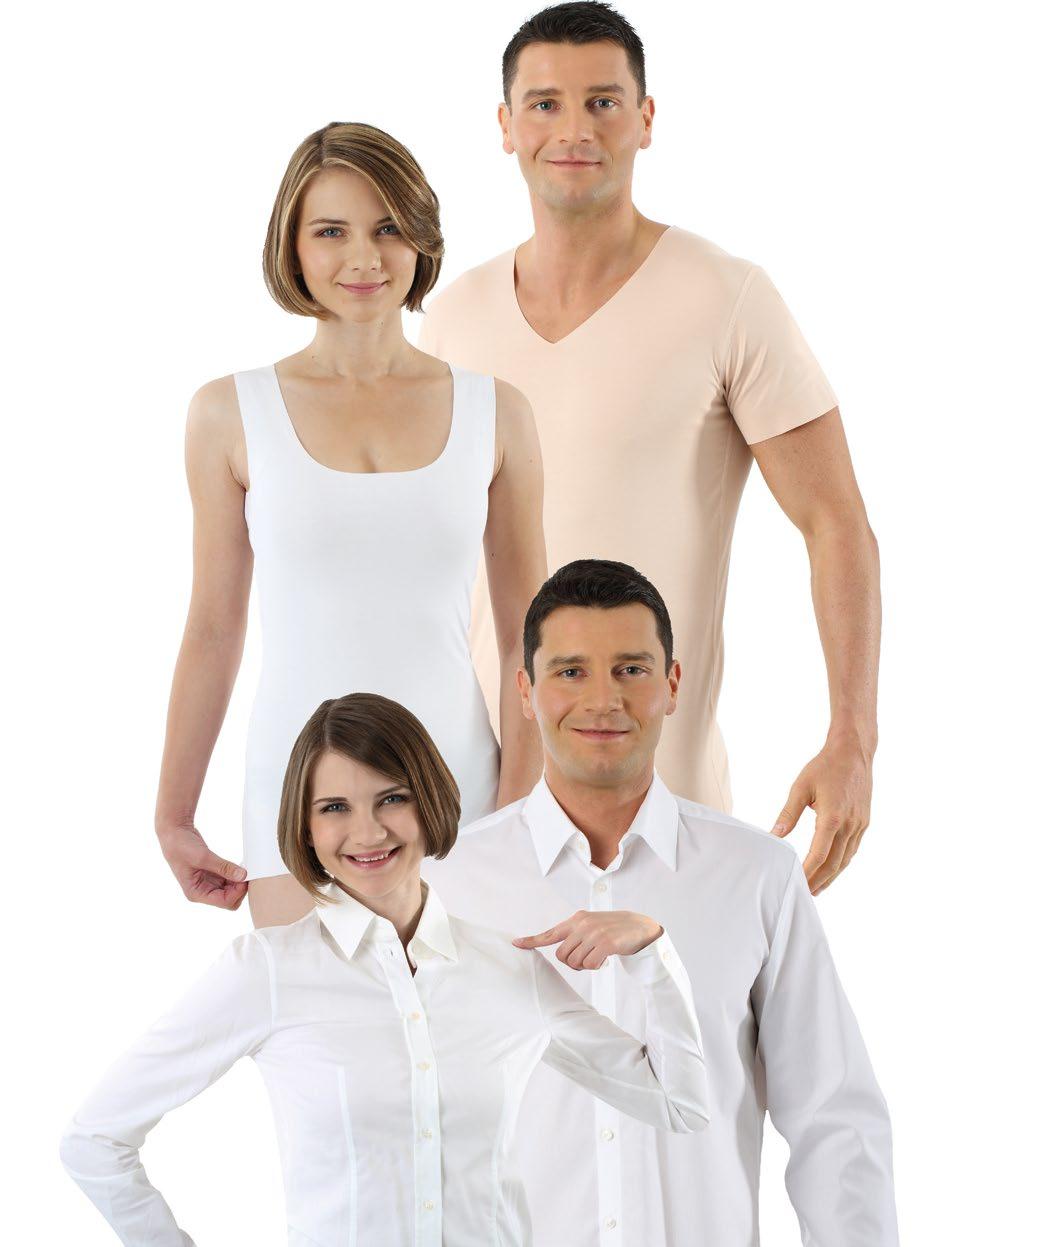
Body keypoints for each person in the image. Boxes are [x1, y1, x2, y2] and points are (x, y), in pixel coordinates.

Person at [419, 2, 881, 894]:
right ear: (506, 125)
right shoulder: (454, 316)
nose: (574, 129)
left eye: (602, 101)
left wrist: (850, 738)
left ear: (645, 118)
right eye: (545, 104)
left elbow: (836, 524)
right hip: (483, 810)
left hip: (668, 813)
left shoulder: (724, 297)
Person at [61, 693, 709, 1247]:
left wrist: (650, 949)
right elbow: (94, 1140)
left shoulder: (509, 968)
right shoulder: (266, 971)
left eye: (391, 798)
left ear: (430, 802)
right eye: (334, 807)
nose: (367, 831)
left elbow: (680, 1105)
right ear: (304, 827)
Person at [423, 559, 899, 1246]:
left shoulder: (756, 877)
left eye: (630, 669)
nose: (602, 700)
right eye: (570, 671)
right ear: (524, 691)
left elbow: (834, 1119)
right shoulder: (449, 883)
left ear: (672, 684)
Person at [154, 122, 547, 928]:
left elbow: (526, 638)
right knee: (311, 1010)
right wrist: (174, 813)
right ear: (292, 246)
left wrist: (518, 808)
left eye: (388, 228)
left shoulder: (497, 412)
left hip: (459, 788)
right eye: (330, 231)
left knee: (471, 1006)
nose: (363, 257)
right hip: (296, 791)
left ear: (421, 238)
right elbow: (213, 626)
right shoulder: (228, 413)